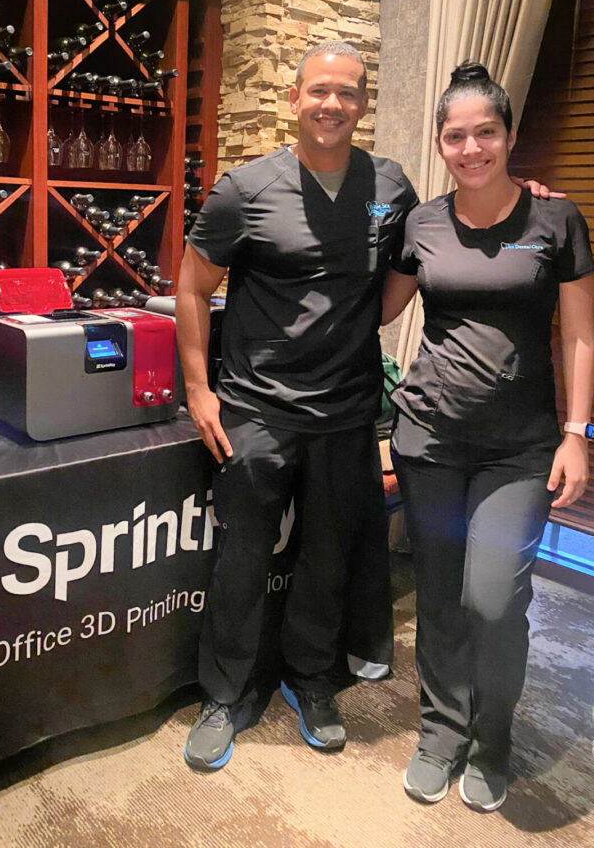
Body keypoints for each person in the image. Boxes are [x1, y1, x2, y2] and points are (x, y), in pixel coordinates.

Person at [176, 39, 420, 771]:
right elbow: (192, 288)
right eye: (320, 90)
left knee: (327, 558)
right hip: (256, 411)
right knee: (244, 558)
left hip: (347, 410)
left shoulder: (391, 187)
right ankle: (223, 695)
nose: (333, 105)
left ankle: (312, 681)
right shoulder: (244, 189)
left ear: (363, 103)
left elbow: (412, 261)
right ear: (294, 98)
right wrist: (198, 388)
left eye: (348, 93)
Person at [382, 62, 594, 812]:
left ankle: (492, 739)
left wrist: (577, 432)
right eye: (455, 135)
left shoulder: (555, 220)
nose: (471, 148)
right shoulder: (422, 225)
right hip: (430, 440)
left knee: (494, 599)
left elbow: (576, 333)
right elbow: (379, 309)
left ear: (509, 137)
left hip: (521, 447)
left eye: (485, 133)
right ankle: (441, 734)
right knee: (439, 596)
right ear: (440, 143)